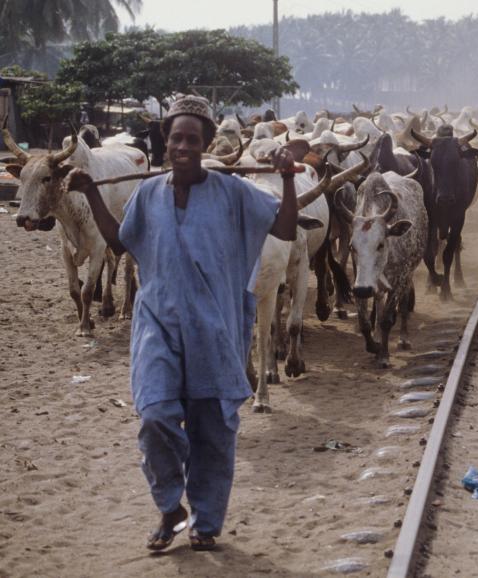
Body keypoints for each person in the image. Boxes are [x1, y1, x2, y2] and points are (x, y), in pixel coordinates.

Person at [65, 95, 299, 552]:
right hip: (158, 325)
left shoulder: (234, 193)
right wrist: (91, 191)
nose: (184, 147)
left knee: (212, 431)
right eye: (177, 138)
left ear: (206, 143)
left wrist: (288, 179)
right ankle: (171, 507)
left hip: (216, 329)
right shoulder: (149, 193)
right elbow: (120, 242)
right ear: (165, 142)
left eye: (193, 139)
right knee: (155, 416)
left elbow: (286, 230)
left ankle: (206, 521)